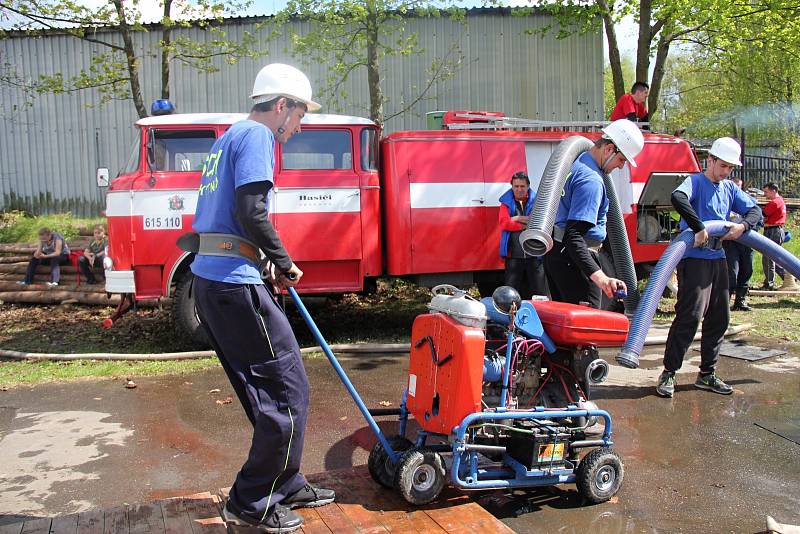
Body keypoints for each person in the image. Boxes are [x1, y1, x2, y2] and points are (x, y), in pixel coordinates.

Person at [189, 63, 333, 534]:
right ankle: (251, 499)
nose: (299, 126)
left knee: (271, 390)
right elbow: (252, 211)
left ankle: (284, 482)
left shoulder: (228, 137)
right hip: (232, 282)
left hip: (217, 279)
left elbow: (230, 214)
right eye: (299, 115)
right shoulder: (257, 137)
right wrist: (284, 260)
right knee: (287, 390)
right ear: (281, 106)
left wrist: (264, 261)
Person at [656, 137, 761, 398]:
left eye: (730, 168)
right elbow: (678, 197)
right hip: (694, 258)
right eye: (722, 166)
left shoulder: (729, 188)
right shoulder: (696, 182)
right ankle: (669, 372)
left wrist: (742, 226)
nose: (726, 172)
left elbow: (756, 211)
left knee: (720, 317)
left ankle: (707, 374)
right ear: (710, 160)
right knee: (690, 315)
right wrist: (698, 226)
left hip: (717, 259)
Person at [544, 119, 644, 308]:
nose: (621, 166)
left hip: (559, 256)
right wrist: (601, 278)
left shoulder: (578, 164)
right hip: (575, 261)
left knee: (565, 328)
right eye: (621, 159)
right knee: (584, 330)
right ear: (608, 149)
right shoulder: (591, 181)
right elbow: (574, 237)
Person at [498, 171, 548, 299]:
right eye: (516, 186)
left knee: (540, 293)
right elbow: (504, 224)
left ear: (528, 186)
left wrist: (515, 218)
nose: (519, 189)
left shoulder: (537, 200)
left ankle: (544, 317)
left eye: (522, 186)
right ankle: (509, 318)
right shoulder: (505, 203)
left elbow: (538, 220)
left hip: (535, 254)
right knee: (510, 293)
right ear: (512, 186)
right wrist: (524, 224)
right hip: (514, 255)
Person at [722, 177, 758, 311]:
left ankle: (740, 301)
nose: (736, 189)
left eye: (739, 186)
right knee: (732, 272)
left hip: (747, 241)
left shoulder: (748, 201)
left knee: (747, 270)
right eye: (734, 186)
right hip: (730, 242)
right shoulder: (725, 200)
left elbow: (757, 217)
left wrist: (745, 225)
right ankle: (724, 303)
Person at [760, 182, 786, 290]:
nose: (765, 194)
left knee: (768, 258)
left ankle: (769, 283)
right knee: (775, 257)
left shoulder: (774, 203)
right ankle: (788, 278)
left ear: (773, 190)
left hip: (772, 230)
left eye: (766, 192)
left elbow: (763, 216)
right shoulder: (780, 201)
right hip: (777, 230)